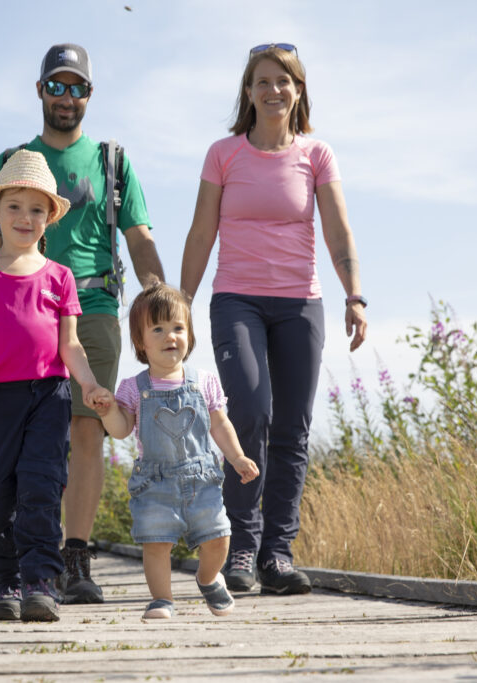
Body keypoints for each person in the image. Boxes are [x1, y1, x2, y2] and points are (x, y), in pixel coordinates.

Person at [0, 43, 165, 604]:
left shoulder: (111, 161)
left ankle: (73, 557)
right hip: (20, 312)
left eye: (76, 87)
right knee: (24, 440)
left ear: (89, 94)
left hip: (94, 309)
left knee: (87, 428)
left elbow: (140, 238)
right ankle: (29, 558)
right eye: (56, 86)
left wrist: (158, 296)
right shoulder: (15, 162)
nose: (66, 96)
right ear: (40, 91)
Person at [180, 43, 368, 595]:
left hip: (299, 304)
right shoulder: (223, 154)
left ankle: (277, 555)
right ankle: (241, 544)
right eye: (262, 81)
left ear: (298, 90)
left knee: (292, 428)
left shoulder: (317, 155)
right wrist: (182, 302)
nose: (273, 90)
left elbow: (338, 231)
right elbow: (201, 231)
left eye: (284, 81)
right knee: (251, 411)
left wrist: (355, 295)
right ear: (248, 91)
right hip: (236, 299)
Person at [0, 149, 106, 622]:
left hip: (49, 396)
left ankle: (39, 582)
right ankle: (8, 583)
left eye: (37, 209)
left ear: (49, 218)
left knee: (41, 486)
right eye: (14, 206)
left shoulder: (60, 278)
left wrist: (90, 384)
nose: (24, 217)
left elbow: (70, 344)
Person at [88, 282, 259, 619]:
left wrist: (237, 456)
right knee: (156, 544)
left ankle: (208, 578)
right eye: (158, 329)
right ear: (140, 341)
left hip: (201, 478)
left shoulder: (203, 381)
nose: (170, 336)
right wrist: (108, 412)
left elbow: (219, 424)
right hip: (154, 482)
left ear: (189, 334)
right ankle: (162, 599)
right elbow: (121, 429)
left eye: (178, 328)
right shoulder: (133, 388)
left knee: (219, 536)